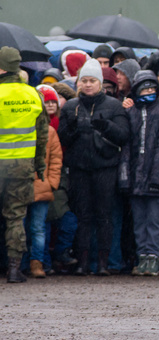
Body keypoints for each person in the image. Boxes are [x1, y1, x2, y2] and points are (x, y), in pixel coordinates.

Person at [58, 58, 130, 276]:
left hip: (105, 167)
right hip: (79, 168)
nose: (88, 85)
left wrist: (107, 126)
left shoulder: (113, 105)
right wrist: (72, 128)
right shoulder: (71, 106)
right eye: (84, 81)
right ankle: (83, 262)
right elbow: (62, 138)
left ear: (100, 83)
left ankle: (103, 263)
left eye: (92, 81)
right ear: (79, 82)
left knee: (104, 215)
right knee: (83, 215)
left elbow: (124, 136)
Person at [0, 47, 48, 283]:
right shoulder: (32, 95)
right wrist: (39, 166)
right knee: (15, 217)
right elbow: (42, 136)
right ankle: (13, 270)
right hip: (22, 167)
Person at [122, 70, 159, 276]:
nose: (149, 92)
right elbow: (126, 148)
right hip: (135, 176)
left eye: (152, 88)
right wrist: (125, 177)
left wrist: (156, 177)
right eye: (145, 89)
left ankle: (153, 257)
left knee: (154, 220)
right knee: (138, 221)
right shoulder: (130, 111)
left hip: (154, 177)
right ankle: (141, 256)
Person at [25, 87, 63, 278]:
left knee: (37, 227)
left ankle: (36, 263)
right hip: (23, 185)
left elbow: (56, 160)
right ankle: (24, 263)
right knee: (26, 227)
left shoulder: (49, 132)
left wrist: (51, 183)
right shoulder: (27, 130)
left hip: (40, 185)